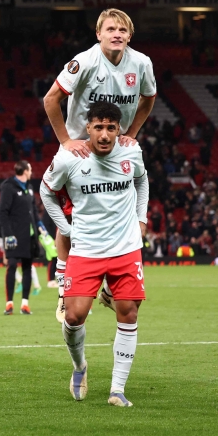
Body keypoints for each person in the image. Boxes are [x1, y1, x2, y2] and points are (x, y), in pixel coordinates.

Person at [43, 9, 155, 322]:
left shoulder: (142, 64)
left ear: (129, 35)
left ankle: (109, 292)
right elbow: (51, 99)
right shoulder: (85, 61)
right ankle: (65, 292)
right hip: (80, 154)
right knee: (70, 221)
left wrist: (131, 134)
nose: (116, 34)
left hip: (116, 150)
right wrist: (66, 141)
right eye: (110, 29)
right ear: (99, 34)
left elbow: (149, 97)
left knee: (118, 216)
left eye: (122, 29)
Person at [40, 101, 148, 407]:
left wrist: (142, 218)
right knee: (74, 316)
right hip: (86, 250)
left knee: (128, 312)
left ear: (118, 130)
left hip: (126, 248)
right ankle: (79, 367)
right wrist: (67, 228)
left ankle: (117, 389)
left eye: (111, 128)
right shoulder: (69, 158)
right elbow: (46, 191)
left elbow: (141, 179)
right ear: (88, 127)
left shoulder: (131, 152)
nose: (104, 134)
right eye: (98, 127)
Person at [0, 161, 41, 315]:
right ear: (24, 170)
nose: (32, 171)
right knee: (12, 265)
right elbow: (2, 212)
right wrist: (8, 234)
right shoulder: (8, 186)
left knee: (27, 267)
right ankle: (9, 303)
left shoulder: (29, 187)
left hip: (29, 235)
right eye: (30, 169)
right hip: (14, 236)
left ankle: (25, 304)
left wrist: (40, 226)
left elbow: (34, 211)